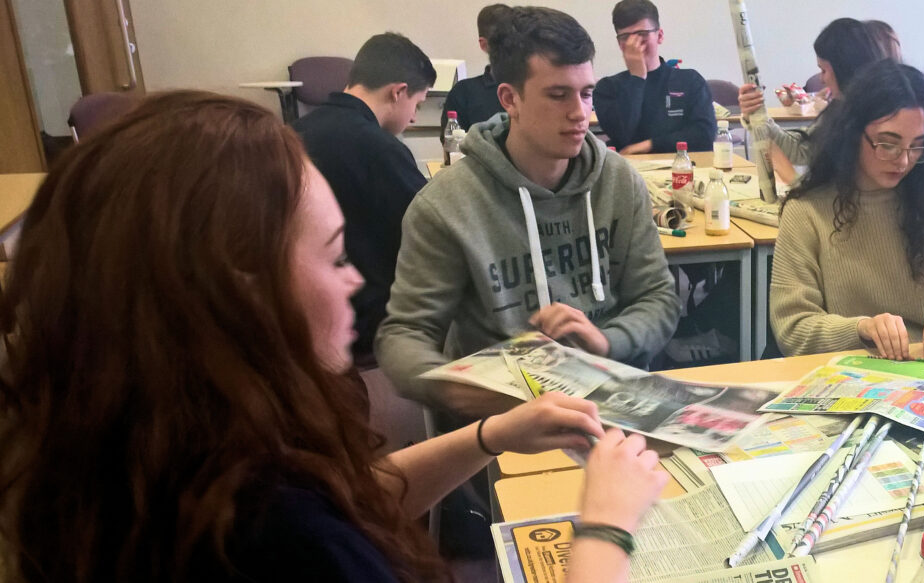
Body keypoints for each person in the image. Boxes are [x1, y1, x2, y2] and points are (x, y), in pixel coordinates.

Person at [0, 91, 669, 582]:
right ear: (238, 291)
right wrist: (606, 526)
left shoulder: (163, 453)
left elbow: (345, 498)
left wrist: (488, 436)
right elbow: (318, 523)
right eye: (336, 255)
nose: (354, 280)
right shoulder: (275, 540)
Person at [376, 6, 680, 418]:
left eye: (586, 93)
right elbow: (405, 334)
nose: (580, 113)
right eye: (558, 95)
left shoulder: (618, 180)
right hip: (505, 416)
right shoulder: (446, 204)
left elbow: (658, 297)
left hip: (610, 399)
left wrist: (607, 341)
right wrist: (453, 389)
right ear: (510, 99)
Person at [770, 60, 924, 360]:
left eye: (917, 146)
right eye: (888, 144)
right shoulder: (806, 210)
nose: (903, 161)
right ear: (852, 133)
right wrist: (861, 329)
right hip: (852, 370)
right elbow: (792, 327)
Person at [292, 33, 434, 364]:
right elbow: (430, 232)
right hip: (368, 316)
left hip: (303, 308)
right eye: (418, 104)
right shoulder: (381, 149)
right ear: (398, 92)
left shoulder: (293, 133)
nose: (414, 117)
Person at [738, 18, 924, 181]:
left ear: (844, 70)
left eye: (824, 70)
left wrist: (783, 166)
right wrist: (757, 116)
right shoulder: (841, 111)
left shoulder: (886, 116)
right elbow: (803, 149)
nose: (822, 79)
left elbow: (820, 192)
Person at [593, 0, 715, 153]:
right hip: (631, 166)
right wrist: (637, 77)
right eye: (625, 37)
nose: (634, 44)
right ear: (619, 43)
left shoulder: (690, 80)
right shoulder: (607, 88)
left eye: (642, 34)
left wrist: (648, 145)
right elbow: (621, 135)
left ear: (660, 36)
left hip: (681, 164)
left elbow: (704, 135)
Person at [438, 3, 511, 140]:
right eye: (503, 42)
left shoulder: (532, 88)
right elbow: (452, 145)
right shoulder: (463, 93)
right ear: (484, 45)